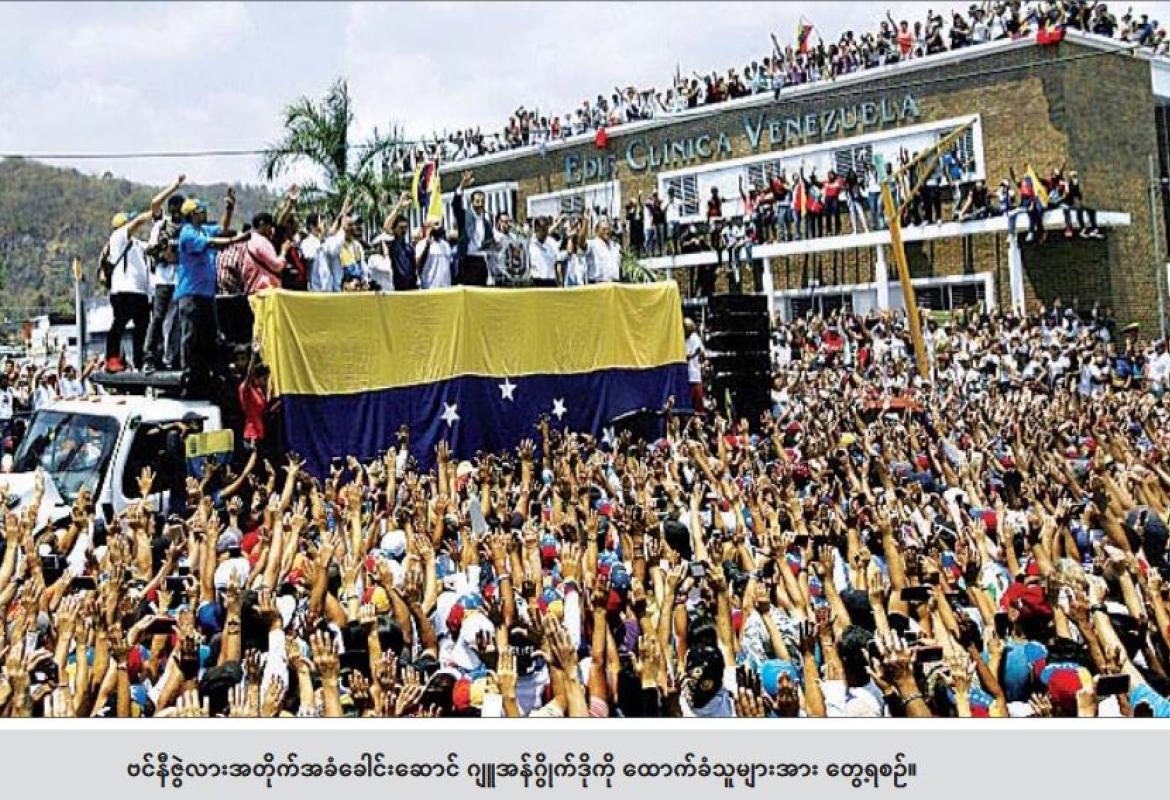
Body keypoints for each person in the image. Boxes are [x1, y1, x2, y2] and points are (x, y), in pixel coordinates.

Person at [103, 174, 186, 372]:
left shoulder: (138, 244)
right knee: (119, 325)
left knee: (142, 328)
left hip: (141, 293)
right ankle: (112, 358)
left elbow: (151, 254)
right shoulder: (118, 238)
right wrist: (153, 214)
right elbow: (141, 219)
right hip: (123, 291)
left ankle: (141, 361)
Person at [176, 190, 245, 377]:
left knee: (210, 334)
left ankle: (209, 369)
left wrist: (229, 209)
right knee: (191, 334)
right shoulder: (187, 233)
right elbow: (213, 243)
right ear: (192, 214)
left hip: (207, 293)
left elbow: (222, 229)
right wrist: (235, 240)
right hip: (191, 293)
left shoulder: (204, 229)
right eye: (201, 211)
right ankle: (188, 370)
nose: (205, 213)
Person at [143, 189, 187, 372]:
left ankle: (174, 357)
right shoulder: (161, 226)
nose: (177, 213)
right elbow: (150, 249)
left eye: (180, 209)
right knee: (158, 318)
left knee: (177, 320)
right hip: (163, 278)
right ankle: (150, 356)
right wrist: (163, 250)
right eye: (174, 209)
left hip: (180, 279)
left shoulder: (187, 228)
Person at [452, 171, 493, 286]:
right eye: (477, 201)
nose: (480, 204)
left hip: (481, 261)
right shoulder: (465, 216)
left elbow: (489, 242)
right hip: (467, 261)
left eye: (482, 201)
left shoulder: (486, 223)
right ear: (472, 202)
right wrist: (462, 185)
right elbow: (456, 205)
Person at [241, 212, 291, 295]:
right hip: (265, 291)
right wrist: (284, 251)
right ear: (262, 224)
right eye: (270, 226)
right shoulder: (261, 242)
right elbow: (276, 266)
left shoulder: (248, 241)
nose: (271, 229)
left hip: (252, 289)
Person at [577, 211, 622, 284]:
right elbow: (581, 242)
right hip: (598, 284)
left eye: (608, 229)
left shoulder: (615, 246)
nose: (607, 231)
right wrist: (586, 222)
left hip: (614, 284)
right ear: (597, 230)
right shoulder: (593, 244)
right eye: (604, 229)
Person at [528, 216, 565, 287]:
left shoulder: (552, 243)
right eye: (543, 230)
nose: (545, 233)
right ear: (536, 229)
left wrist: (560, 281)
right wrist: (557, 223)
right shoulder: (530, 242)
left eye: (547, 230)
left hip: (551, 281)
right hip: (536, 281)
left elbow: (558, 263)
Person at [684, 317, 705, 413]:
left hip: (694, 375)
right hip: (686, 375)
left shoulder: (694, 338)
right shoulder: (685, 339)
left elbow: (694, 353)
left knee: (697, 400)